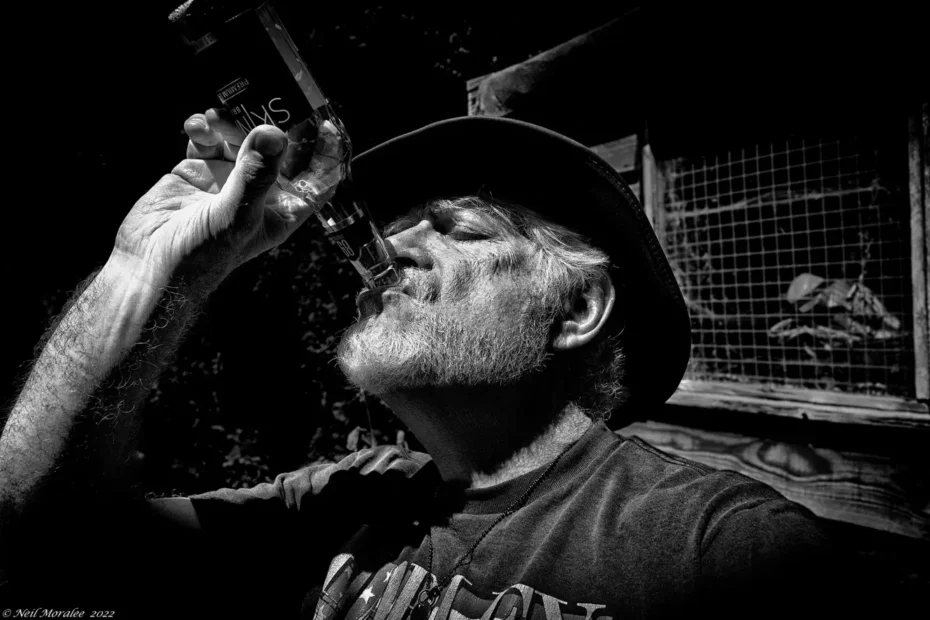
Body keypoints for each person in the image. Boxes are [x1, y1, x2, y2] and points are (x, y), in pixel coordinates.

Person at [0, 112, 845, 618]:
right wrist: (146, 273)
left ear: (577, 312)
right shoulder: (350, 501)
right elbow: (41, 518)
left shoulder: (721, 549)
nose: (390, 252)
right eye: (397, 226)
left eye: (459, 229)